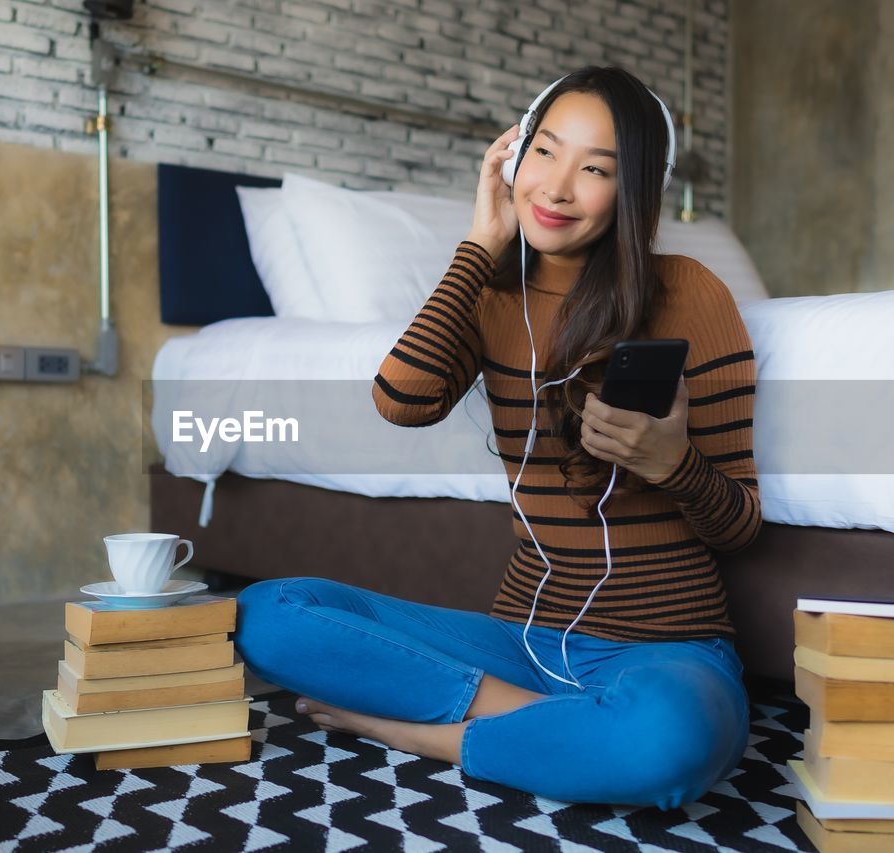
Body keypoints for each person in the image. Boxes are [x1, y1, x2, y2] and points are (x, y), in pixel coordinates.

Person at [233, 65, 761, 810]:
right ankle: (547, 724)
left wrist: (674, 464)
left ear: (633, 188)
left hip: (666, 649)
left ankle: (425, 733)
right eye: (543, 152)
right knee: (266, 615)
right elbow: (399, 401)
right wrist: (478, 247)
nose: (557, 186)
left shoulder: (691, 293)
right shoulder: (487, 296)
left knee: (664, 741)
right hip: (519, 642)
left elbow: (739, 522)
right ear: (511, 159)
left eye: (596, 168)